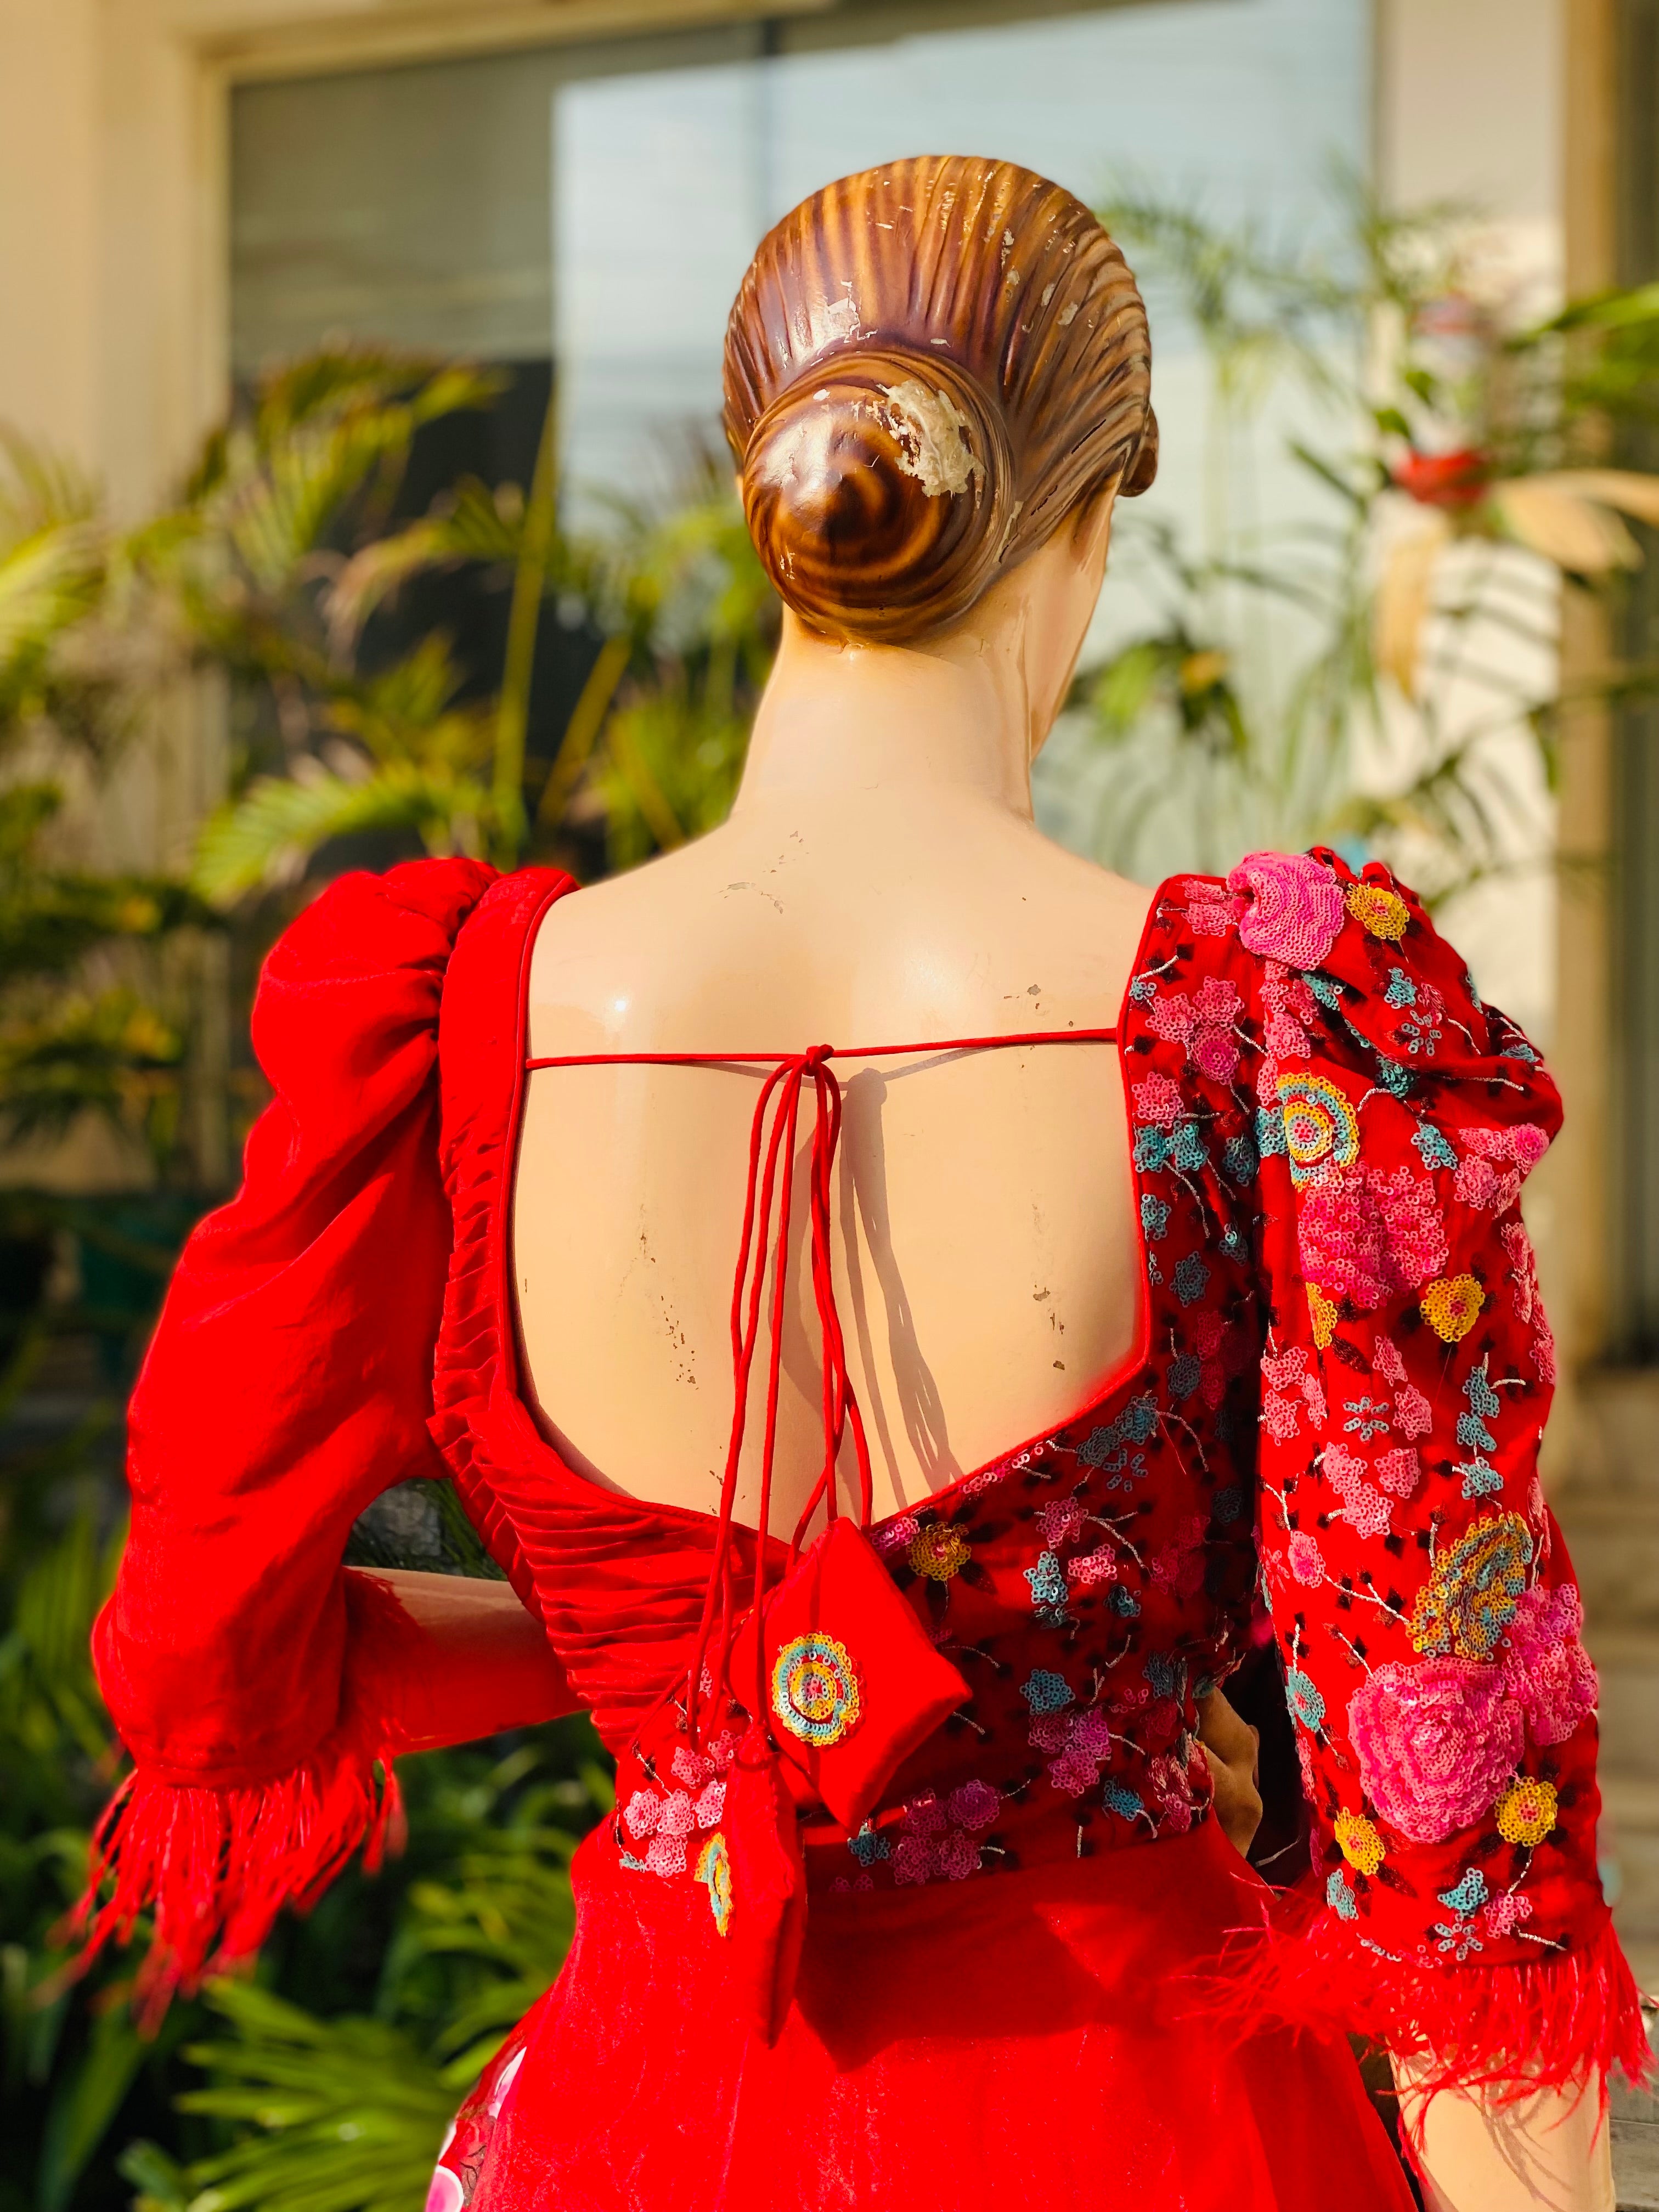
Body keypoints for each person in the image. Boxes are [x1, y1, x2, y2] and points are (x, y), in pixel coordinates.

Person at [78, 159, 1647, 2211]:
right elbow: (1457, 1824)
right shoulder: (1264, 1024)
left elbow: (213, 1643)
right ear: (1084, 527)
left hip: (634, 2121)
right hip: (1142, 2119)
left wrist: (681, 1664)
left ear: (773, 509)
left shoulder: (464, 1021)